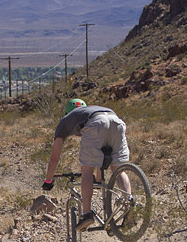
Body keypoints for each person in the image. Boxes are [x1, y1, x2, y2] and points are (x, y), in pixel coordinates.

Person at [42, 99, 131, 231]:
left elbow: (54, 158)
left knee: (87, 171)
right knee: (117, 170)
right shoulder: (89, 110)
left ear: (67, 112)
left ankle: (87, 214)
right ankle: (129, 206)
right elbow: (100, 160)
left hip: (96, 123)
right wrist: (99, 179)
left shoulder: (65, 121)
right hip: (116, 120)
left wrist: (48, 180)